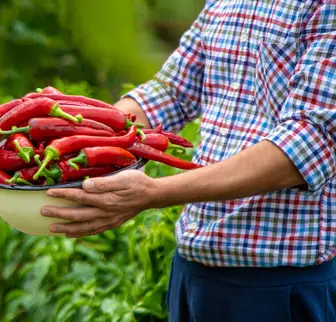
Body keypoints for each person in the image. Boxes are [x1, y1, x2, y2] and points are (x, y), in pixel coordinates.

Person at [40, 1, 336, 321]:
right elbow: (173, 92)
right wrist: (79, 127)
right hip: (194, 268)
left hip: (276, 280)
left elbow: (306, 144)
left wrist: (154, 192)